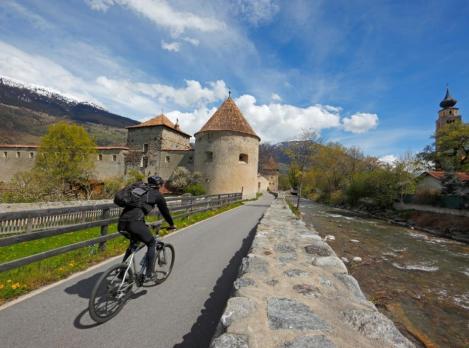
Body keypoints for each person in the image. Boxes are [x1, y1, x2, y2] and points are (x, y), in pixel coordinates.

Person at [117, 175, 175, 279]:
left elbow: (136, 208)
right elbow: (165, 212)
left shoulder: (139, 191)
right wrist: (171, 224)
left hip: (121, 223)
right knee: (151, 242)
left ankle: (122, 272)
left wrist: (144, 223)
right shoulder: (157, 195)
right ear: (159, 185)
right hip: (134, 223)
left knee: (133, 244)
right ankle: (150, 272)